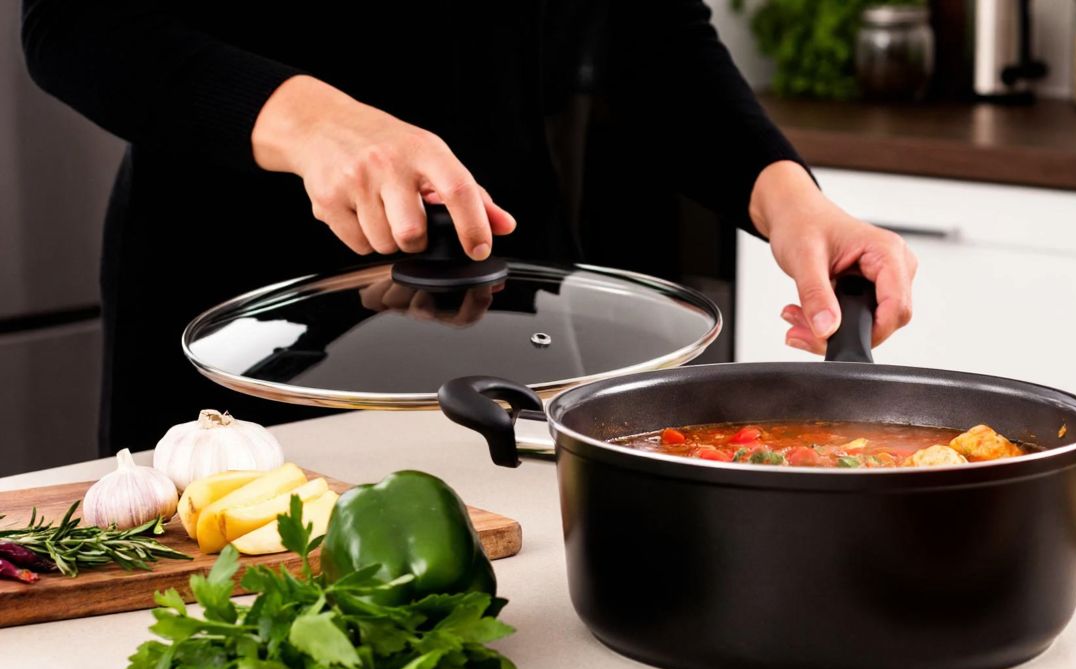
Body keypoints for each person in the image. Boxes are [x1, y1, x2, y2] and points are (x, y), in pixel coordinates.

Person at [21, 1, 917, 453]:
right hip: (233, 322)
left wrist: (789, 200)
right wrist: (317, 126)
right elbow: (78, 23)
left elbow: (652, 37)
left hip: (521, 310)